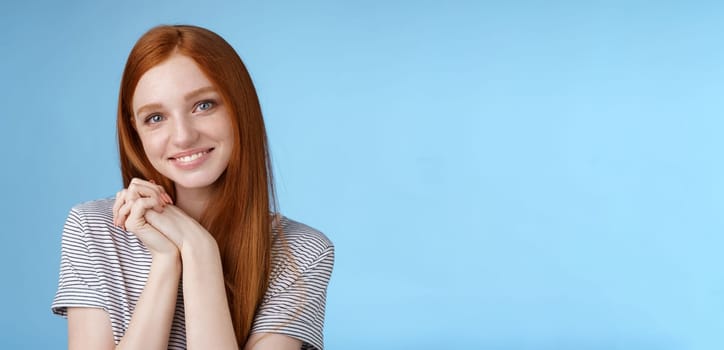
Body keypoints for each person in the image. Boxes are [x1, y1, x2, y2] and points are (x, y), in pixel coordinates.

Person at [51, 24, 334, 350]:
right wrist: (166, 260)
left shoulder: (302, 253)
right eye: (155, 117)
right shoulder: (93, 229)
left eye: (203, 105)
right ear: (136, 132)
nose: (183, 136)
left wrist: (200, 250)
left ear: (238, 108)